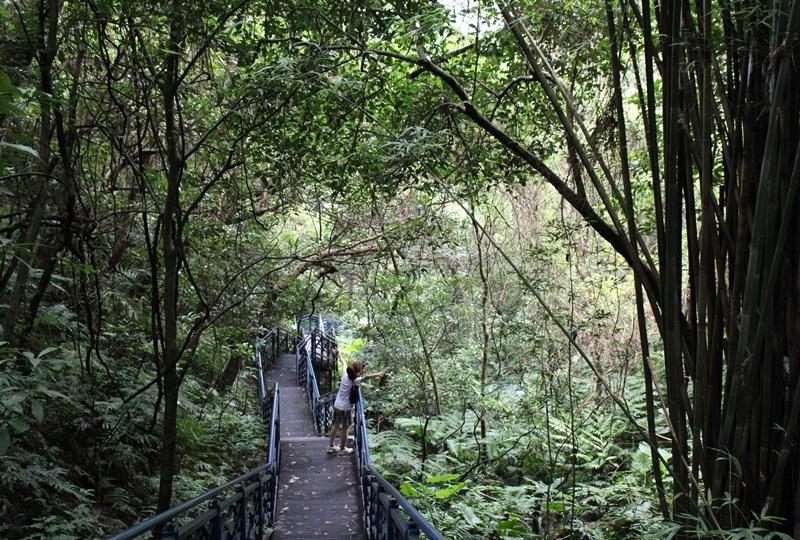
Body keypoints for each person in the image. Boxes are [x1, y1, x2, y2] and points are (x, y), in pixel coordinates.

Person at [327, 358, 385, 455]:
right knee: (345, 429)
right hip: (346, 408)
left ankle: (331, 446)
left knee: (336, 425)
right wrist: (378, 374)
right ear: (357, 372)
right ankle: (342, 449)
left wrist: (339, 354)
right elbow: (366, 377)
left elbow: (344, 362)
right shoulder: (355, 381)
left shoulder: (345, 374)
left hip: (337, 405)